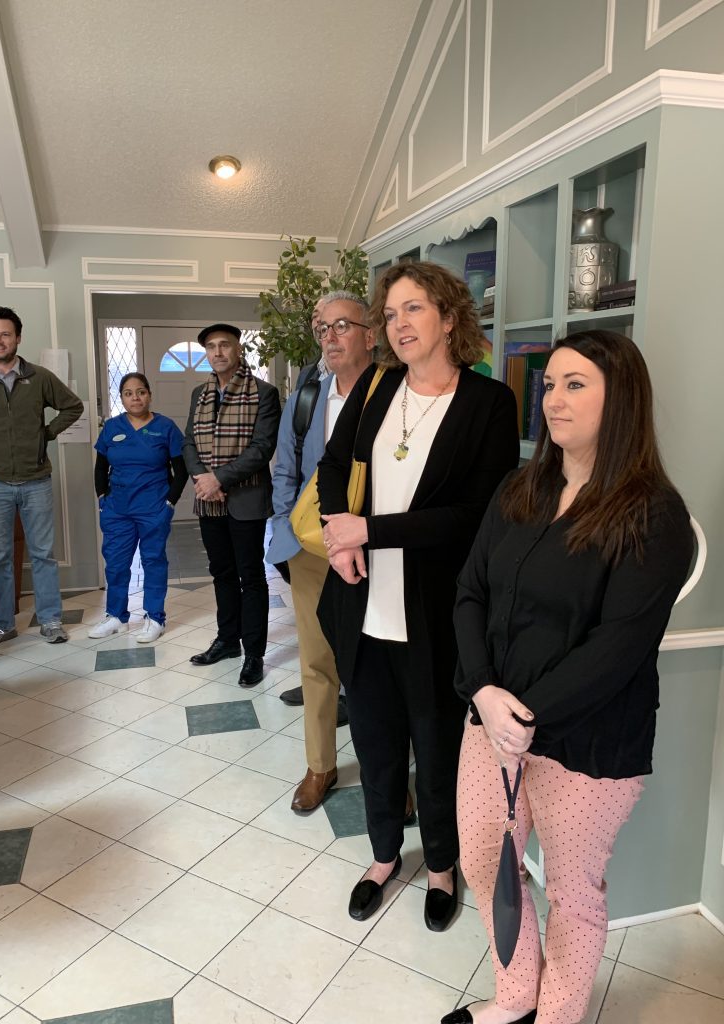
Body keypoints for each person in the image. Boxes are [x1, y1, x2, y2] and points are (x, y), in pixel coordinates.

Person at [446, 330, 694, 1024]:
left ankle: (555, 1017)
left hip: (586, 745)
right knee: (483, 865)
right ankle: (516, 997)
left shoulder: (653, 514)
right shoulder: (520, 487)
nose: (552, 399)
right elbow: (469, 593)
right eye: (549, 383)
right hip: (490, 724)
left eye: (574, 383)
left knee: (574, 894)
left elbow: (618, 648)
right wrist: (484, 693)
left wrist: (519, 715)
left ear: (622, 399)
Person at [317, 261, 519, 929]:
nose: (398, 324)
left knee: (435, 752)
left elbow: (474, 514)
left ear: (450, 318)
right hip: (363, 609)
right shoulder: (375, 389)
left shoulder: (488, 403)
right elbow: (332, 468)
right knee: (374, 744)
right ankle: (382, 858)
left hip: (436, 615)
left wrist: (369, 529)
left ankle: (439, 866)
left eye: (414, 310)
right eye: (392, 312)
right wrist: (340, 539)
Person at [267, 292, 375, 813]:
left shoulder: (395, 396)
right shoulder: (307, 397)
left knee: (378, 665)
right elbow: (284, 467)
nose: (329, 337)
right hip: (310, 552)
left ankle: (388, 773)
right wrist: (286, 528)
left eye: (342, 326)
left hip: (376, 552)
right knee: (316, 661)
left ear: (370, 335)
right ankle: (320, 766)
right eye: (323, 329)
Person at [0, 306, 83, 648]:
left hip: (36, 481)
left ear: (18, 338)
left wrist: (47, 434)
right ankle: (1, 625)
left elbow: (73, 406)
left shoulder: (38, 377)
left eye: (6, 334)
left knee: (43, 554)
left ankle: (51, 620)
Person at [183, 323, 280, 687]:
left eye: (225, 345)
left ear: (239, 350)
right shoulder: (199, 393)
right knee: (221, 573)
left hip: (247, 500)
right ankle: (227, 641)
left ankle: (254, 653)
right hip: (209, 500)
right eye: (211, 346)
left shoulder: (264, 392)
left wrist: (218, 478)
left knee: (250, 577)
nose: (218, 352)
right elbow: (188, 442)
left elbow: (262, 447)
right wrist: (202, 479)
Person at [89, 373, 188, 642]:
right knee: (116, 564)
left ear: (150, 395)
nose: (135, 397)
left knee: (153, 561)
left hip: (153, 506)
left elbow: (181, 471)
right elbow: (101, 467)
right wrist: (102, 498)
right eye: (129, 393)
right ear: (121, 398)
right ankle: (116, 617)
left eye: (141, 392)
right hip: (117, 509)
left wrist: (169, 503)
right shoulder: (111, 427)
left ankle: (155, 617)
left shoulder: (165, 427)